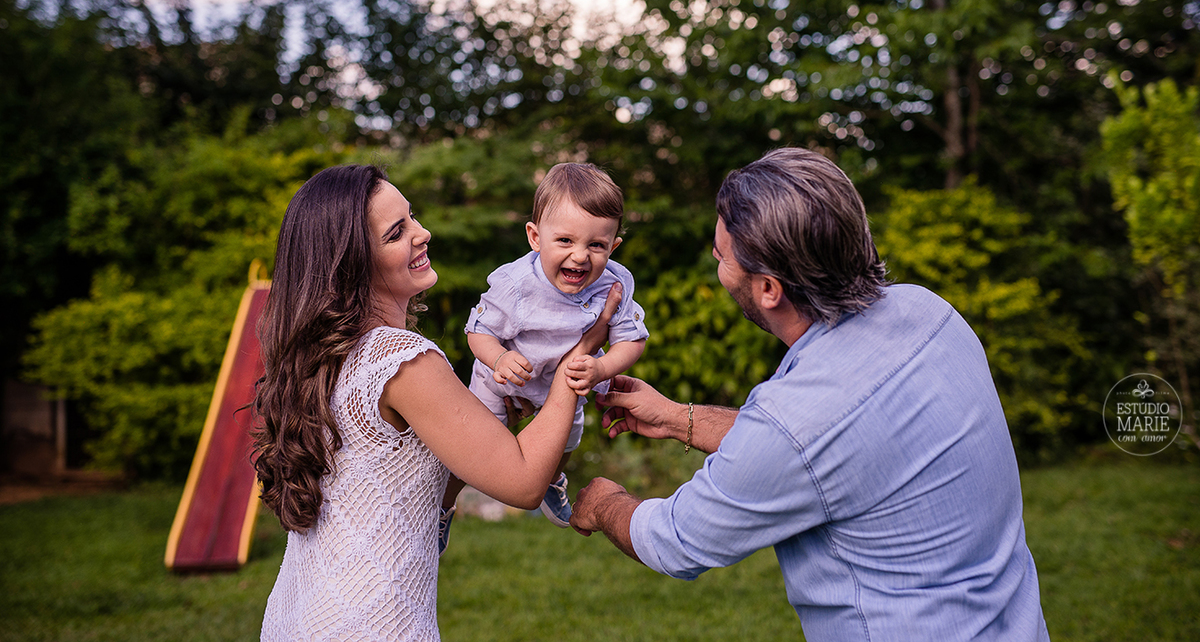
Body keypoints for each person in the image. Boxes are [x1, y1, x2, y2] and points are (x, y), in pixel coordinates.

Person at [570, 148, 1051, 641]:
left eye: (722, 258)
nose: (718, 267)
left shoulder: (796, 421)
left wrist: (606, 504)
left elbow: (677, 540)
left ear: (769, 289)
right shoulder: (932, 314)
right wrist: (678, 418)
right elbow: (845, 442)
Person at [251, 164, 620, 641]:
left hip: (299, 617)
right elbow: (527, 482)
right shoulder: (401, 360)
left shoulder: (325, 354)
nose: (423, 233)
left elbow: (402, 489)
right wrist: (580, 355)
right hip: (373, 625)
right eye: (396, 232)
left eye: (413, 216)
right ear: (354, 262)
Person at [439, 162, 648, 540]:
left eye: (596, 245)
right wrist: (499, 358)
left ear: (614, 245)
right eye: (565, 241)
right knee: (467, 452)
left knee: (568, 437)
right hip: (503, 379)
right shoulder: (515, 284)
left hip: (565, 381)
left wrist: (602, 370)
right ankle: (443, 506)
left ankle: (551, 480)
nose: (581, 256)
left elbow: (632, 339)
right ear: (535, 237)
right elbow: (478, 332)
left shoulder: (616, 283)